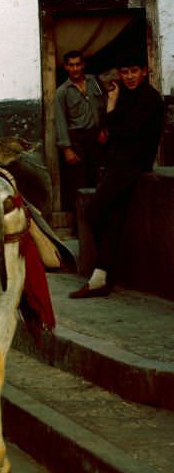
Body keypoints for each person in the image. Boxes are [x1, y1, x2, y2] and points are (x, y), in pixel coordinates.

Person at [70, 53, 163, 299]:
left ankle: (106, 271)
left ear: (144, 71)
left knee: (94, 211)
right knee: (112, 219)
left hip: (132, 165)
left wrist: (112, 109)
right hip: (118, 164)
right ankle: (101, 278)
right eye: (125, 72)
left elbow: (124, 133)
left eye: (134, 71)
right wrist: (113, 105)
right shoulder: (126, 96)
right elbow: (109, 134)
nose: (129, 76)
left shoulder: (149, 98)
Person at [55, 49, 106, 217]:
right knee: (79, 184)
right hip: (78, 141)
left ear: (83, 64)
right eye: (71, 65)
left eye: (78, 64)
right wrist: (67, 149)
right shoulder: (62, 91)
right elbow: (60, 120)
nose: (75, 69)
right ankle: (81, 222)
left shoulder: (94, 82)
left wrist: (104, 129)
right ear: (66, 67)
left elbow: (105, 105)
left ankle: (99, 219)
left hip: (97, 138)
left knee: (99, 180)